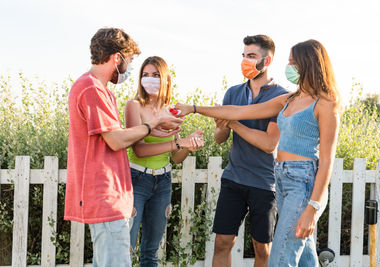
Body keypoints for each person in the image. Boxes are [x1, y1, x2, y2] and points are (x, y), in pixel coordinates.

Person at [175, 39, 340, 267]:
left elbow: (327, 160)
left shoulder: (326, 104)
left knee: (281, 257)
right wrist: (193, 109)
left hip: (302, 181)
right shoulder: (289, 99)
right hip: (282, 178)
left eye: (293, 62)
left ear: (308, 63)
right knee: (304, 256)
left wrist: (314, 206)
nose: (289, 67)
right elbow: (240, 111)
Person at [64, 28, 183, 267]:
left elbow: (117, 136)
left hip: (110, 196)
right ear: (117, 58)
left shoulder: (99, 89)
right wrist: (154, 124)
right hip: (105, 196)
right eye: (129, 61)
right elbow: (116, 140)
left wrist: (158, 128)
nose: (129, 68)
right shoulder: (91, 89)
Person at [211, 35, 288, 267]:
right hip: (233, 178)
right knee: (222, 243)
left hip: (264, 184)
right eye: (244, 56)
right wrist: (221, 126)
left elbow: (269, 144)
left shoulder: (281, 97)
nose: (245, 60)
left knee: (262, 249)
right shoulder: (233, 93)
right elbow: (220, 139)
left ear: (267, 60)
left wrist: (232, 122)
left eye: (251, 56)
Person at [125, 56, 204, 266]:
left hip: (163, 182)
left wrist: (189, 144)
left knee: (151, 252)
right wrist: (178, 144)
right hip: (136, 180)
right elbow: (139, 149)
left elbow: (177, 158)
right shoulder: (134, 106)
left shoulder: (171, 110)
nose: (149, 79)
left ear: (166, 79)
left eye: (156, 75)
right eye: (145, 75)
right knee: (127, 248)